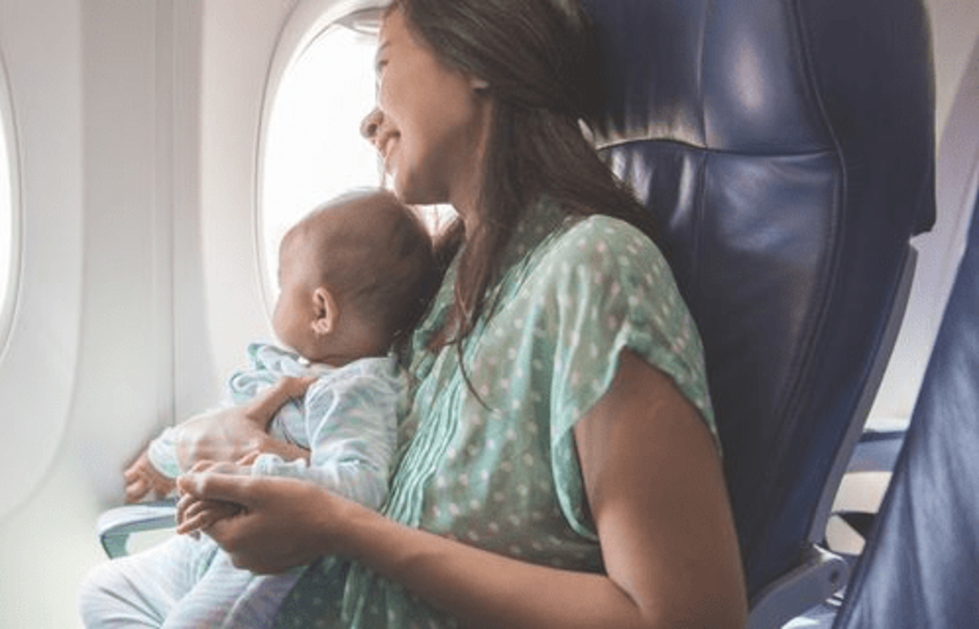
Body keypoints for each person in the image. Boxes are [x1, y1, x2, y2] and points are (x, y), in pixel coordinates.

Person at [166, 0, 749, 627]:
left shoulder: (596, 270)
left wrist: (342, 529)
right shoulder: (448, 283)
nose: (370, 121)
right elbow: (402, 492)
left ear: (476, 59)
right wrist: (267, 464)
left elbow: (685, 618)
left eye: (384, 64)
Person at [78, 188, 441, 628]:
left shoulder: (357, 390)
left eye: (284, 284)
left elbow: (362, 485)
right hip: (202, 543)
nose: (278, 295)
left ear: (321, 310)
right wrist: (162, 458)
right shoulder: (285, 368)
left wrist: (265, 475)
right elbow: (227, 421)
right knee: (104, 587)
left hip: (261, 563)